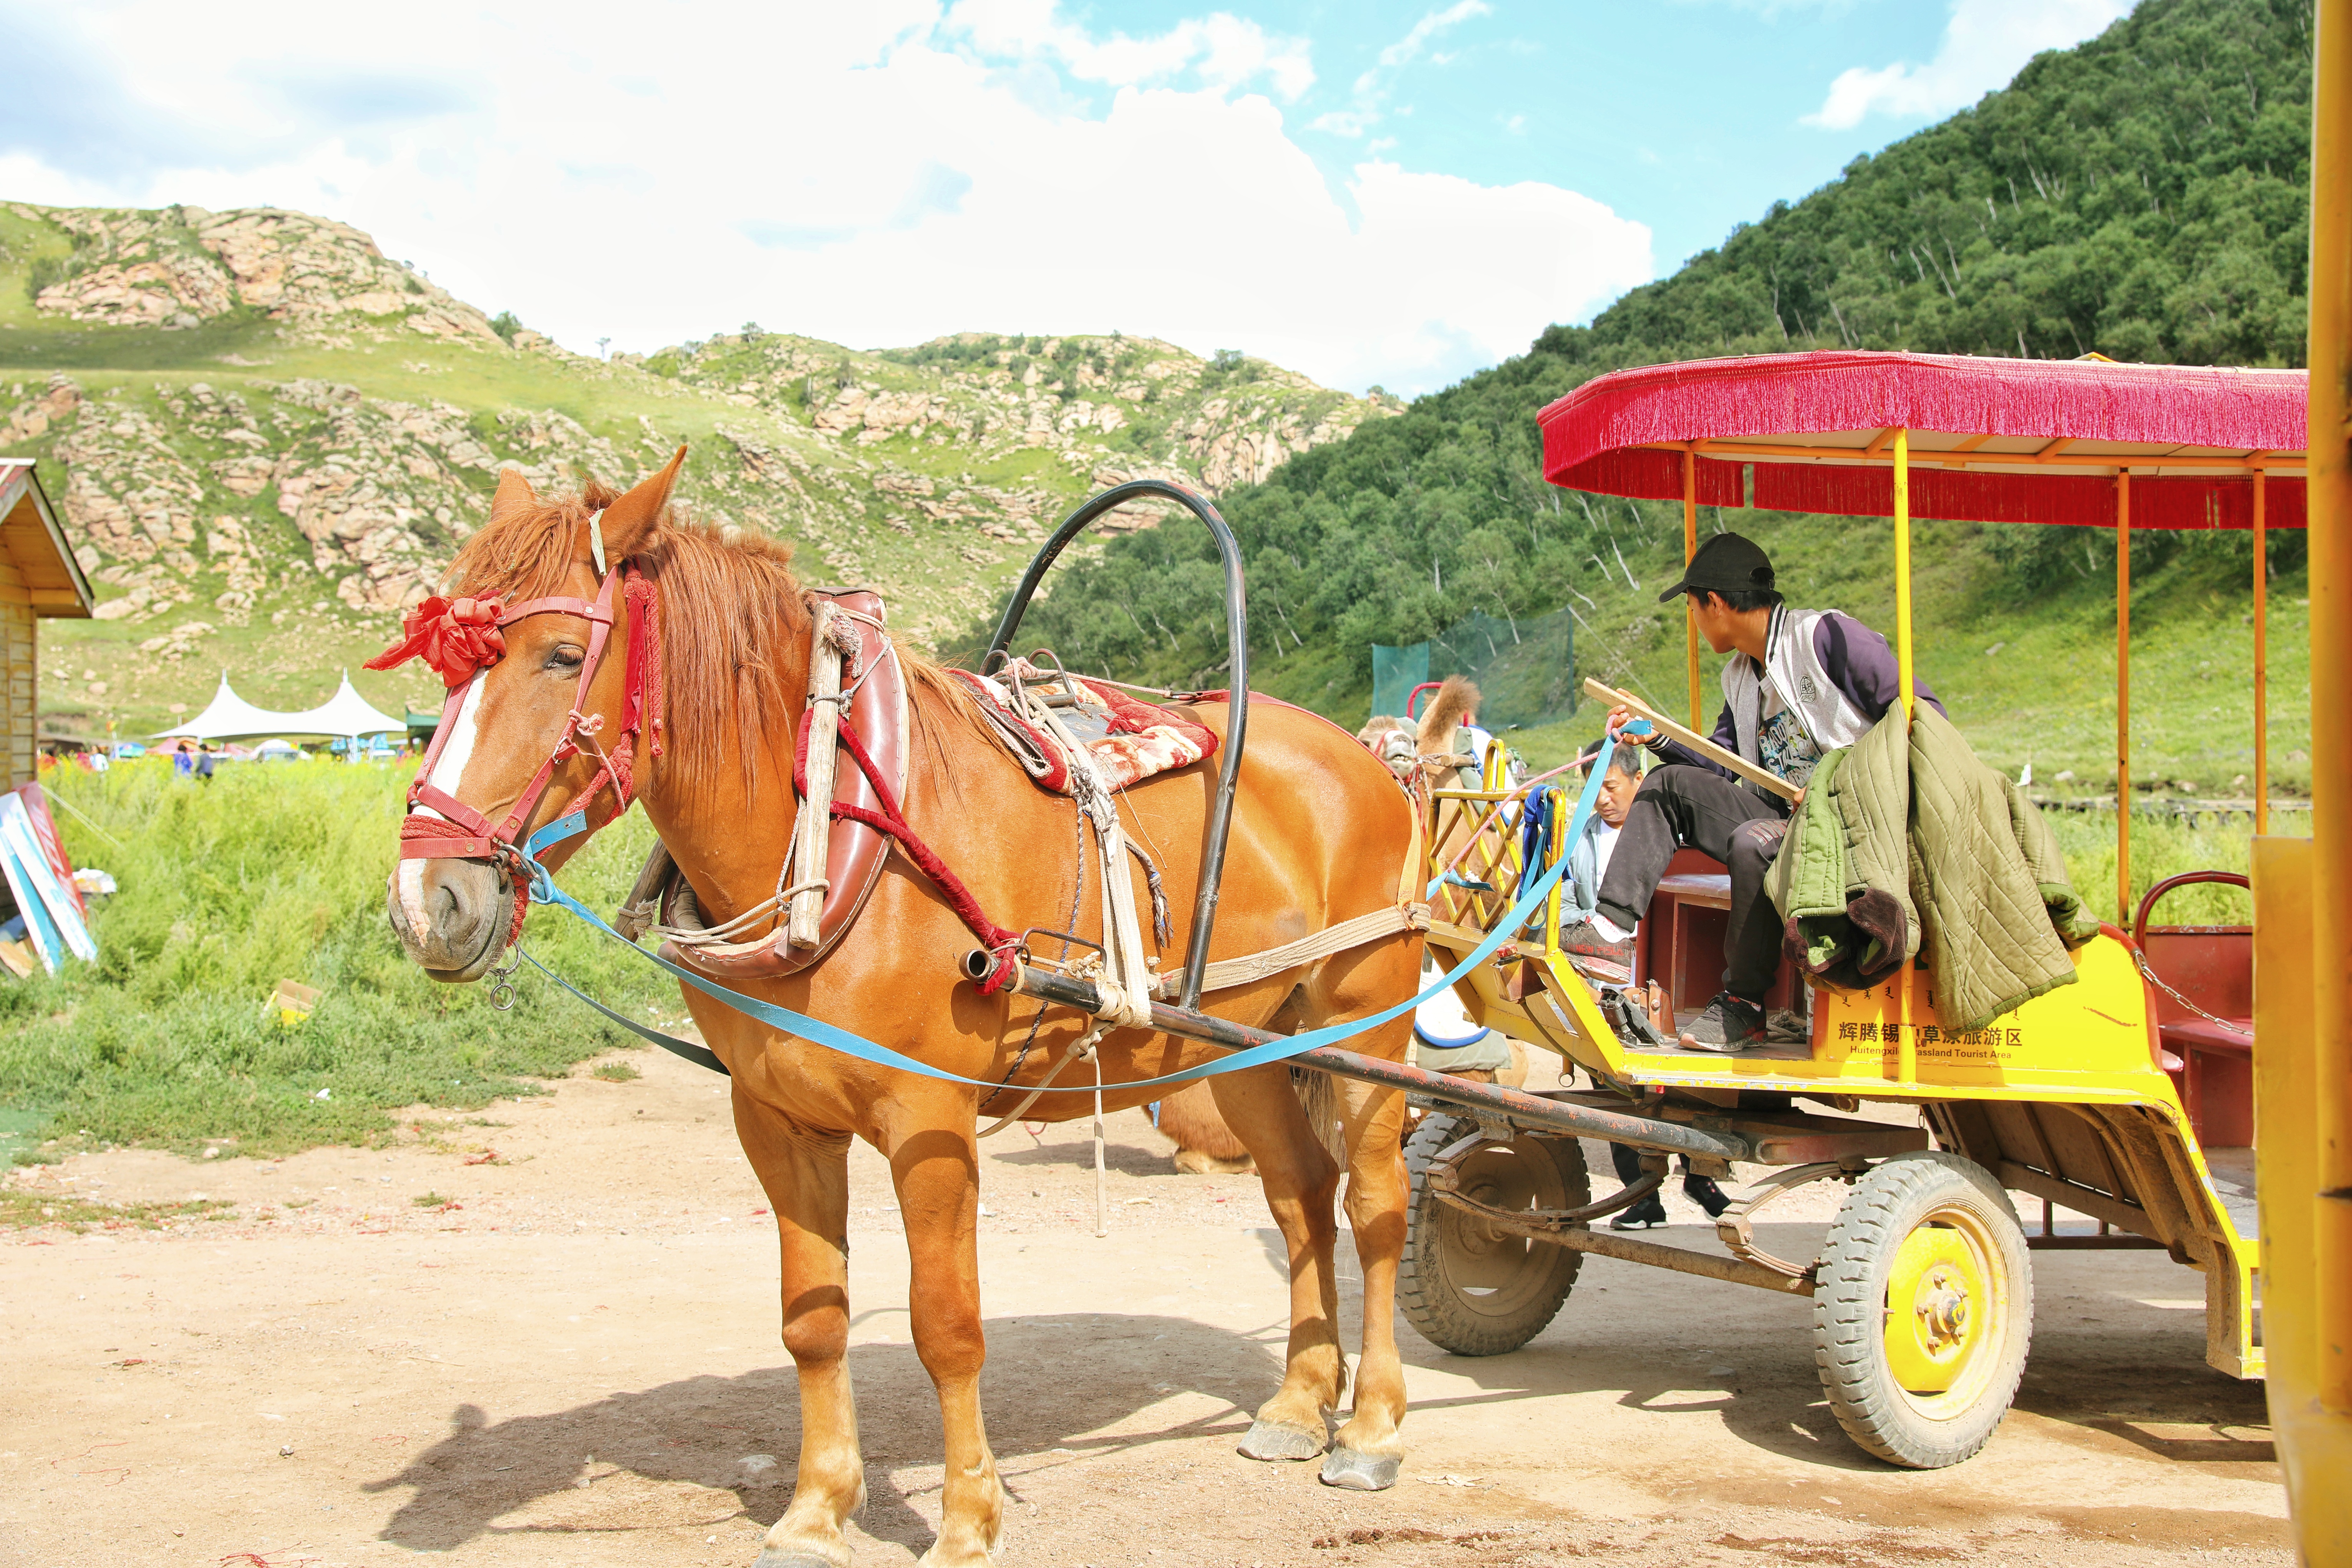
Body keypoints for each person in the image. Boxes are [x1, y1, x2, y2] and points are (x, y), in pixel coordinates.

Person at [1593, 532, 1943, 1051]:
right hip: (1785, 821)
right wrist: (1656, 733)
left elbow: (1924, 715)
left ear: (1715, 603)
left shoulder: (1826, 637)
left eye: (1692, 607)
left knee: (1753, 841)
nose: (1695, 621)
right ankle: (1609, 932)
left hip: (1851, 828)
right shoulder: (1739, 675)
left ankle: (1744, 1003)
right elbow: (1720, 761)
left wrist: (1835, 784)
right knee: (1668, 785)